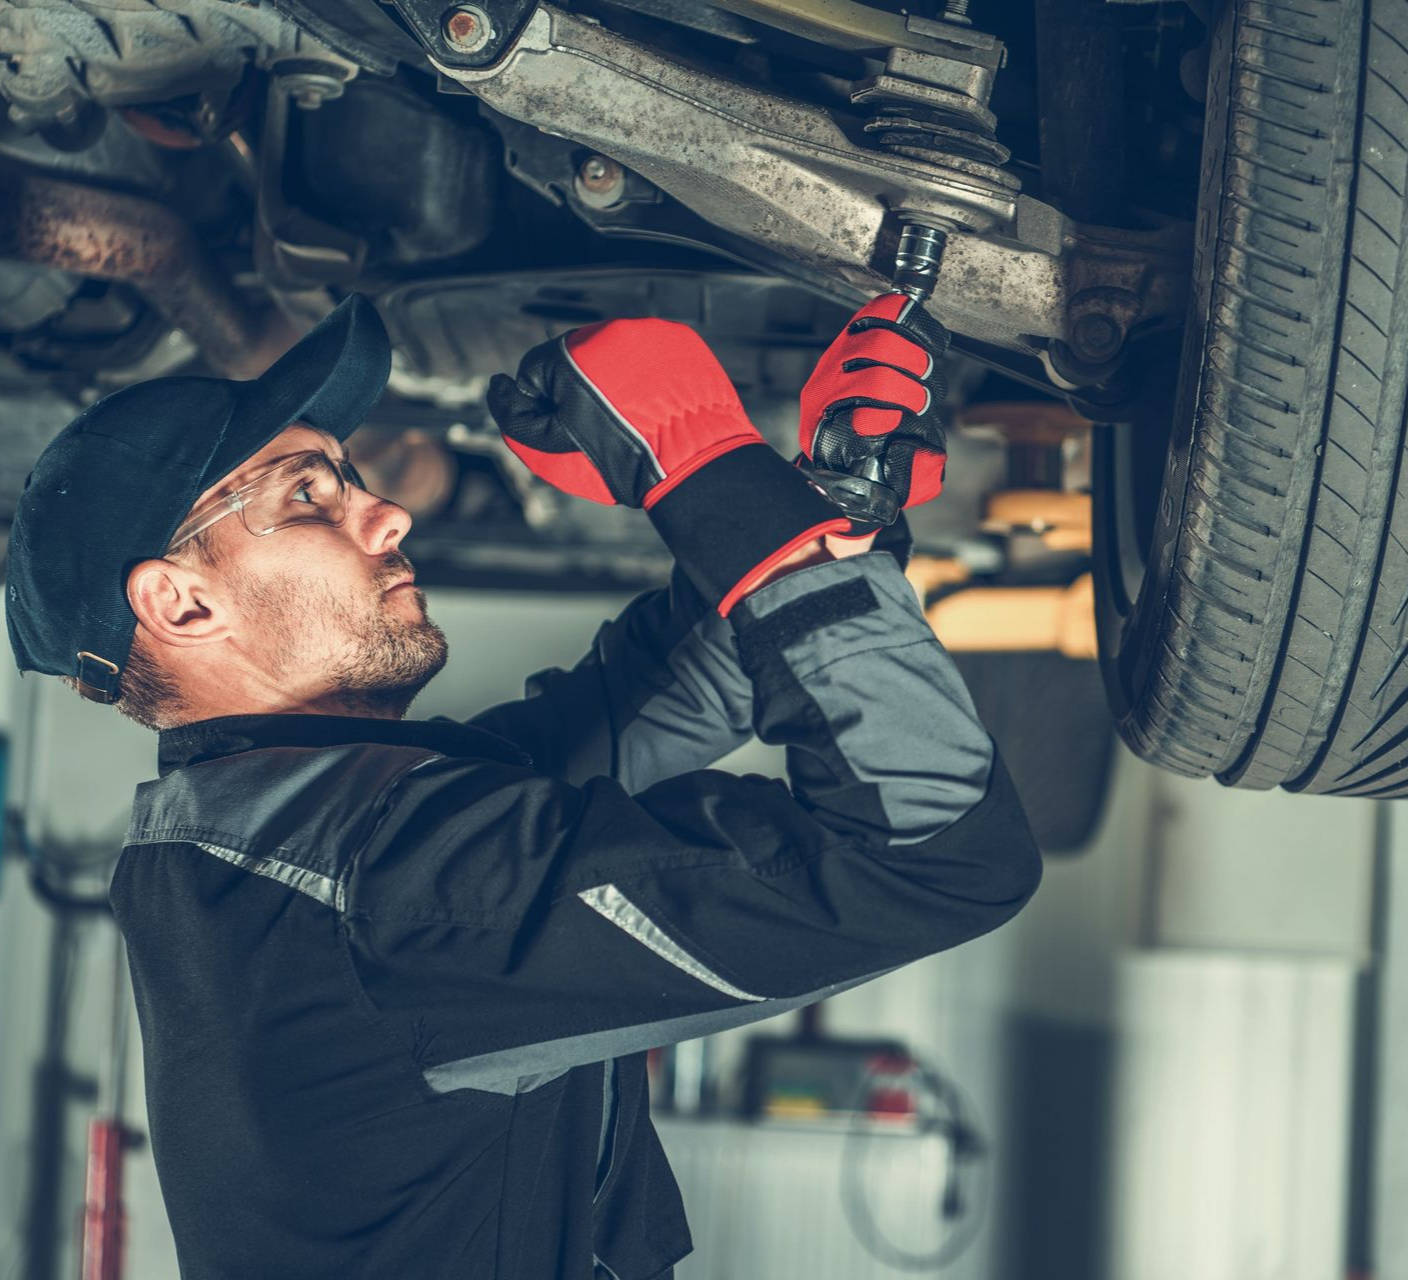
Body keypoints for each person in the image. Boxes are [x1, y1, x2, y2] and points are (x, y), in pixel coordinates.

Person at [5, 293, 1041, 1280]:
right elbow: (935, 848)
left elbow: (653, 695)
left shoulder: (277, 829)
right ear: (182, 606)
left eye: (347, 475)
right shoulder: (372, 885)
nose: (390, 511)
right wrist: (701, 462)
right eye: (308, 495)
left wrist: (820, 498)